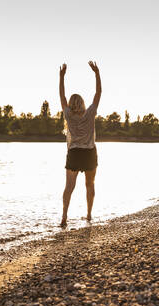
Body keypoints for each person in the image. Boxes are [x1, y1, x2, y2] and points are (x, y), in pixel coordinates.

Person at [59, 61, 102, 227]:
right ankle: (89, 215)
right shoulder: (90, 113)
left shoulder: (68, 114)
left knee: (69, 187)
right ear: (83, 103)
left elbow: (62, 96)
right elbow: (98, 93)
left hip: (74, 153)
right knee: (89, 184)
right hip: (89, 152)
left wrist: (62, 77)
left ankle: (64, 217)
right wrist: (96, 73)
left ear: (70, 104)